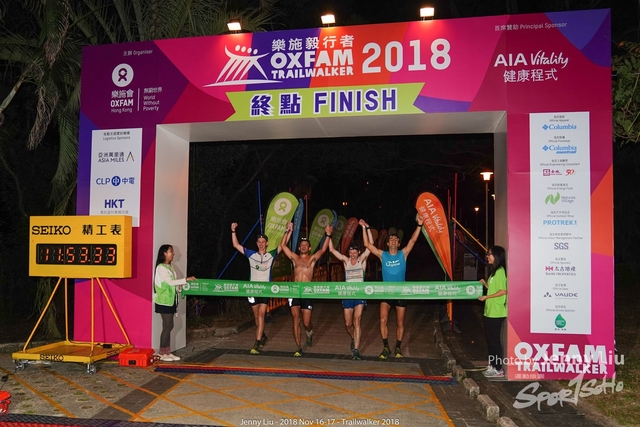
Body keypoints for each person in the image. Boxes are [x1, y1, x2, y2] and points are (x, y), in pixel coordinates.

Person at [361, 217, 424, 360]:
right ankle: (386, 347)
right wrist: (364, 227)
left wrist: (419, 225)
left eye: (396, 239)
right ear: (388, 243)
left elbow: (413, 240)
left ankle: (398, 347)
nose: (394, 240)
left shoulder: (403, 254)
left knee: (400, 322)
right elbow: (367, 244)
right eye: (391, 239)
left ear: (398, 243)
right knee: (383, 320)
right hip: (386, 293)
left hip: (401, 294)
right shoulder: (383, 255)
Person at [280, 221, 331, 357]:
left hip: (307, 292)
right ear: (299, 248)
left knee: (306, 322)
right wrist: (288, 231)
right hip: (294, 291)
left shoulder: (312, 259)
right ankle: (298, 346)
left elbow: (323, 249)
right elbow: (283, 246)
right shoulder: (294, 258)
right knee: (295, 319)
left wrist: (328, 235)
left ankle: (309, 332)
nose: (303, 246)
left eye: (306, 245)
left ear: (309, 248)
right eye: (301, 245)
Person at [231, 222, 282, 355]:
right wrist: (233, 231)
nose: (261, 244)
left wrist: (288, 231)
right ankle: (263, 335)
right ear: (256, 243)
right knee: (256, 317)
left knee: (261, 315)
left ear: (267, 243)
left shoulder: (271, 255)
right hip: (252, 290)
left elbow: (282, 246)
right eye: (259, 242)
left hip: (265, 291)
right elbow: (236, 245)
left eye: (263, 242)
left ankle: (256, 343)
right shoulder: (251, 254)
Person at [327, 222, 373, 360]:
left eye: (355, 252)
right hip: (347, 294)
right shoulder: (346, 261)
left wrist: (365, 228)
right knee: (348, 324)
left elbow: (370, 245)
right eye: (350, 252)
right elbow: (331, 250)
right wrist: (329, 235)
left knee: (357, 320)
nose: (352, 254)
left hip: (359, 294)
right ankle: (353, 337)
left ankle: (356, 350)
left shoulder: (362, 260)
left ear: (358, 252)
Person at [154, 244, 196, 362]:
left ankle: (167, 352)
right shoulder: (161, 267)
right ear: (164, 253)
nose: (173, 253)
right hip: (164, 301)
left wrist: (180, 288)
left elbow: (173, 284)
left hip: (171, 300)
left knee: (169, 326)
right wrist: (186, 279)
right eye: (170, 251)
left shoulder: (170, 267)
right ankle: (162, 353)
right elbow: (170, 282)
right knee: (168, 326)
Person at [479, 245, 508, 378]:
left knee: (494, 341)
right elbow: (494, 289)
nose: (488, 257)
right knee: (489, 340)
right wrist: (485, 285)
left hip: (496, 312)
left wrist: (487, 297)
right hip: (489, 311)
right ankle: (492, 365)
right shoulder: (494, 272)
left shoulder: (500, 271)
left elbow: (503, 291)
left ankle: (498, 368)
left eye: (490, 254)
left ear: (497, 256)